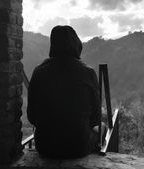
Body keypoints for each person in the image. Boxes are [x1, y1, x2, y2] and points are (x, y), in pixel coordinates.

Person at [27, 25, 103, 159]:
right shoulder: (88, 73)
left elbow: (32, 116)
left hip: (45, 147)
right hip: (78, 147)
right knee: (103, 128)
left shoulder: (38, 72)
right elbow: (96, 119)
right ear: (76, 44)